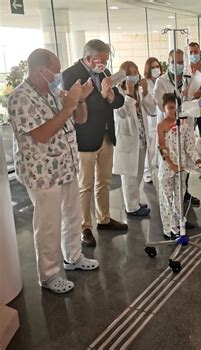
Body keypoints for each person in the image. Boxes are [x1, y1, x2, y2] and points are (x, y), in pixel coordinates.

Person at [7, 48, 98, 294]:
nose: (59, 75)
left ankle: (73, 257)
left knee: (72, 215)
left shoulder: (54, 92)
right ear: (41, 70)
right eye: (56, 71)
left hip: (66, 165)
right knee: (48, 224)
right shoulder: (20, 98)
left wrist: (80, 100)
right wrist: (68, 107)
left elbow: (79, 119)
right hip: (42, 172)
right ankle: (48, 275)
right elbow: (42, 134)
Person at [62, 39, 127, 248]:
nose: (105, 64)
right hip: (86, 137)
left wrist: (110, 97)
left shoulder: (105, 73)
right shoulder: (71, 75)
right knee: (85, 185)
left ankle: (104, 218)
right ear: (89, 58)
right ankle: (84, 227)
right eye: (102, 60)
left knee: (104, 180)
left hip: (107, 134)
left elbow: (118, 101)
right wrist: (102, 95)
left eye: (107, 60)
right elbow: (75, 106)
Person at [153, 49, 200, 209]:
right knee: (170, 165)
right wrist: (182, 98)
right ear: (168, 61)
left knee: (184, 163)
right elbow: (162, 104)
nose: (177, 65)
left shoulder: (191, 79)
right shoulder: (161, 81)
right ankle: (171, 207)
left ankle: (184, 194)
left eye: (180, 62)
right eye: (174, 62)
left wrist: (195, 96)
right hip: (169, 131)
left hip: (186, 128)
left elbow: (198, 102)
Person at [113, 61, 156, 217]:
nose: (134, 75)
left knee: (137, 174)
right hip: (128, 139)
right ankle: (131, 207)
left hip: (141, 138)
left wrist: (144, 92)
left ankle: (135, 202)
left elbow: (151, 109)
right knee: (129, 175)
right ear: (124, 75)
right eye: (130, 73)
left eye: (136, 71)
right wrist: (129, 94)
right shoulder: (117, 92)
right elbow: (122, 113)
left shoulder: (139, 90)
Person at [156, 93, 197, 238]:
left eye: (176, 108)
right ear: (164, 108)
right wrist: (171, 164)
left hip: (182, 167)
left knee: (179, 196)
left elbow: (189, 146)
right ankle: (169, 228)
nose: (173, 111)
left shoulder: (184, 126)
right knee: (167, 198)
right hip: (167, 167)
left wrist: (195, 163)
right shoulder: (161, 126)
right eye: (170, 107)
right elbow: (161, 146)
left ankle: (180, 222)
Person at [142, 57, 162, 183]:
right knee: (150, 148)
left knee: (160, 146)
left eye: (157, 66)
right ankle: (147, 172)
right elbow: (148, 99)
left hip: (160, 116)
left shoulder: (161, 80)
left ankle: (159, 168)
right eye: (153, 67)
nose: (156, 69)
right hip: (150, 118)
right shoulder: (145, 82)